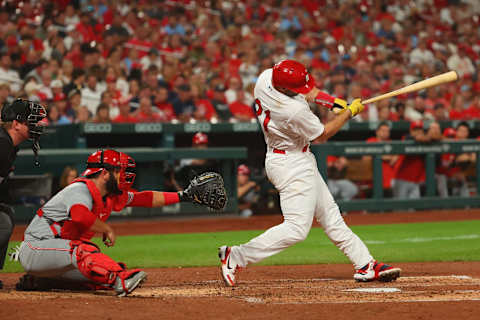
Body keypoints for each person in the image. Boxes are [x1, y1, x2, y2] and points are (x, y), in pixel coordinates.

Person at [218, 59, 401, 287]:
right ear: (284, 88)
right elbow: (322, 135)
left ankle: (365, 265)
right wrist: (348, 113)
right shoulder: (291, 110)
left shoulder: (266, 77)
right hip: (291, 163)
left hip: (292, 158)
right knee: (296, 229)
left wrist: (331, 102)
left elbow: (310, 91)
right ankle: (236, 256)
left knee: (331, 217)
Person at [13, 149, 222, 296]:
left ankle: (42, 281)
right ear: (104, 173)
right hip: (36, 248)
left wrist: (183, 196)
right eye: (118, 171)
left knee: (97, 275)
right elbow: (79, 215)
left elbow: (145, 198)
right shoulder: (80, 189)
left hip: (58, 257)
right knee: (86, 252)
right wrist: (105, 228)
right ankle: (121, 279)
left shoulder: (110, 196)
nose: (124, 175)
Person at [0, 99, 46, 289]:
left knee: (5, 217)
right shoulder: (2, 144)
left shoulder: (7, 143)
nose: (35, 126)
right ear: (16, 124)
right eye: (30, 122)